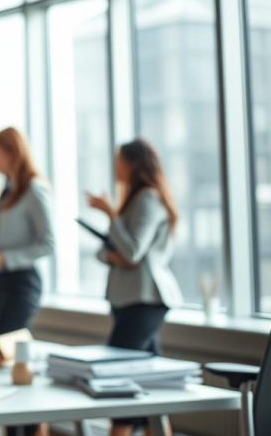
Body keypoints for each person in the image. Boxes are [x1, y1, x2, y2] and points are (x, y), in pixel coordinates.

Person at [86, 139, 182, 436]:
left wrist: (110, 215)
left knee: (118, 373)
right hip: (129, 299)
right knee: (150, 382)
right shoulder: (134, 199)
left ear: (134, 163)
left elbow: (130, 253)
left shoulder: (148, 199)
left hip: (145, 299)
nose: (115, 166)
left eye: (119, 160)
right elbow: (109, 251)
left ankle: (120, 430)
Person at [0, 127, 54, 436]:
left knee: (9, 356)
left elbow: (47, 244)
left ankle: (27, 428)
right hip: (1, 282)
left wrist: (3, 258)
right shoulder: (9, 189)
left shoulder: (34, 190)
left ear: (11, 152)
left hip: (22, 283)